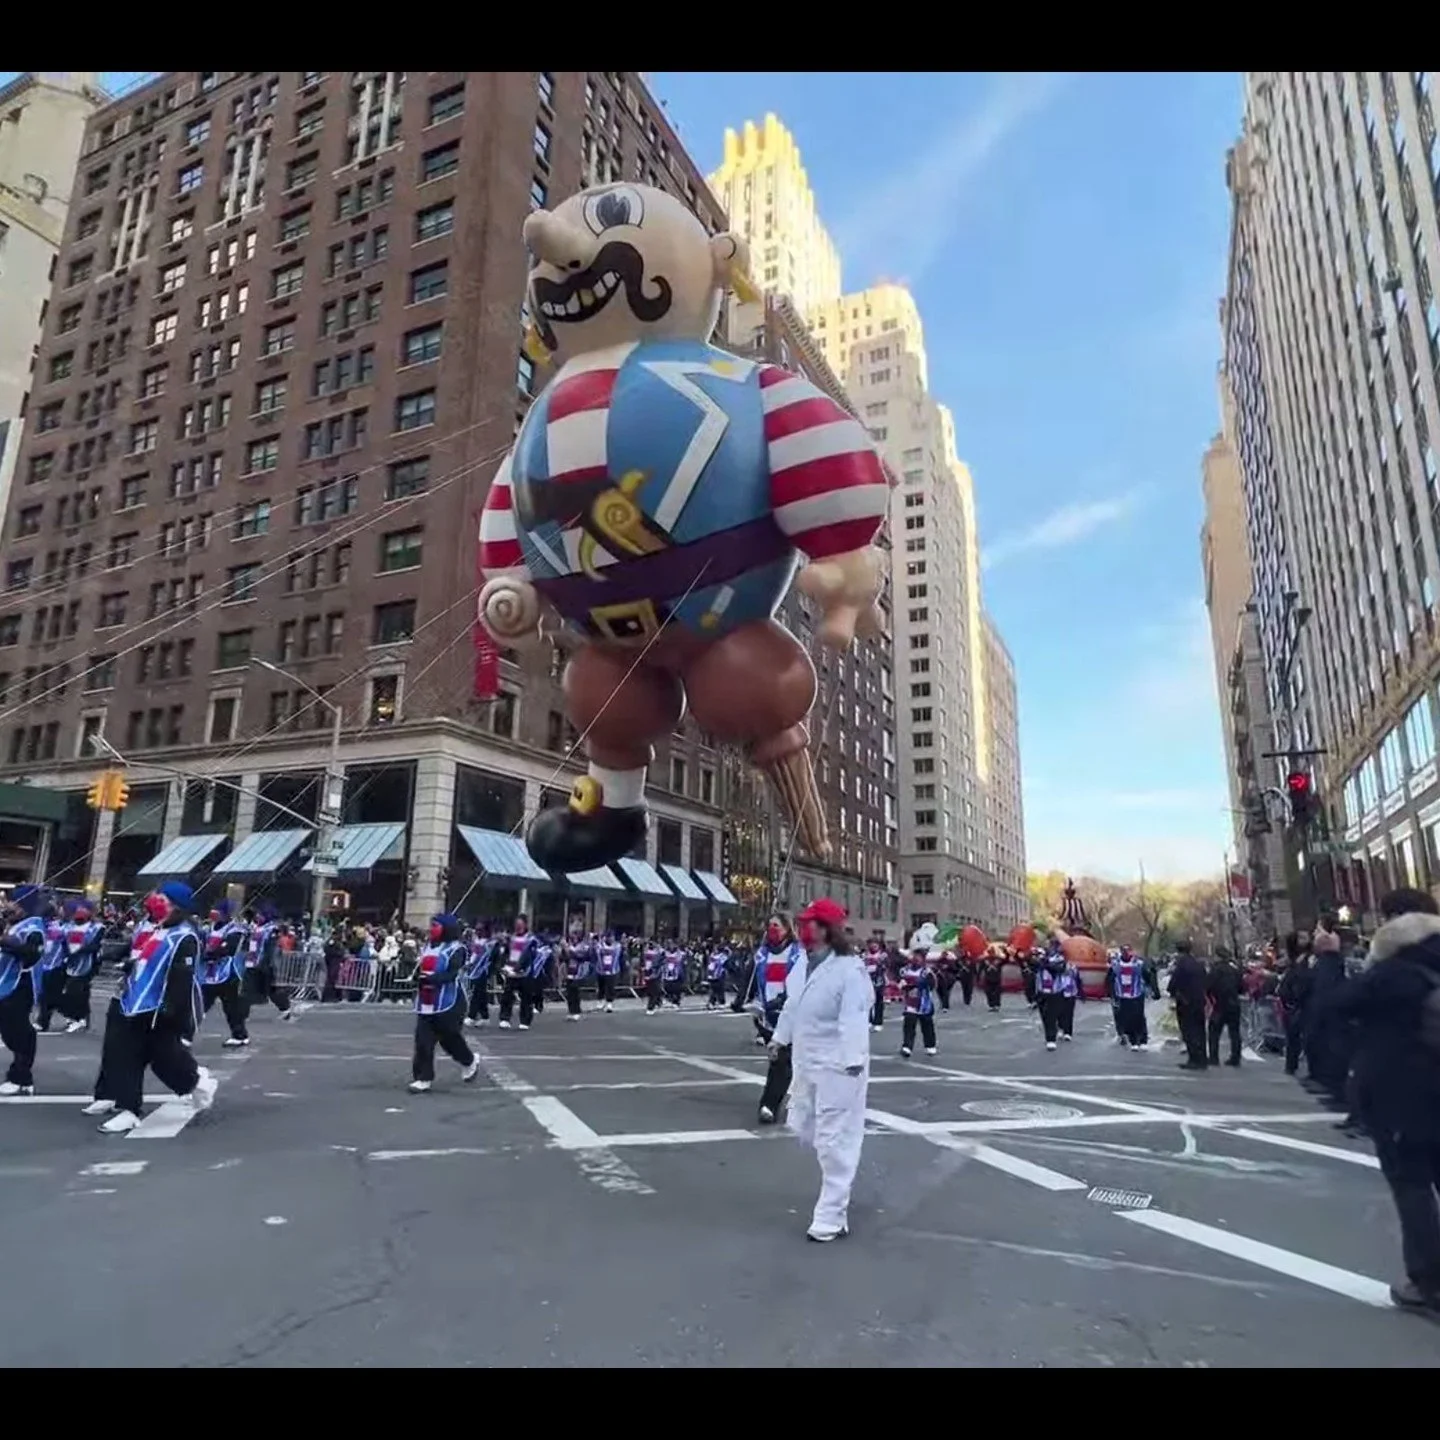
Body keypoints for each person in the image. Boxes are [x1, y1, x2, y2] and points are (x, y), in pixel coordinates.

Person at [1328, 888, 1440, 1315]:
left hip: (1403, 1100)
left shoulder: (1390, 973)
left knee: (1413, 1187)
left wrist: (1330, 958)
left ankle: (1428, 1282)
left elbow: (1331, 1007)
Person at [770, 897, 872, 1243]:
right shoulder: (802, 965)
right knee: (815, 1134)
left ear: (826, 929)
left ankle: (830, 1215)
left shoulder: (850, 970)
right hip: (808, 1063)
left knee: (834, 1140)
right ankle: (836, 1206)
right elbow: (792, 1006)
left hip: (840, 1067)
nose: (802, 928)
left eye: (810, 922)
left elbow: (854, 1018)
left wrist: (852, 1060)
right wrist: (779, 1039)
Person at [92, 882, 217, 1135]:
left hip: (159, 1010)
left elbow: (181, 978)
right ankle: (129, 1109)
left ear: (176, 906)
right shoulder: (154, 929)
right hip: (132, 1004)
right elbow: (143, 961)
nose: (155, 900)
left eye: (162, 897)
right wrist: (126, 965)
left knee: (166, 1062)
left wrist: (169, 1010)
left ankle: (197, 1081)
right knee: (124, 1056)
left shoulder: (185, 936)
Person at [409, 913, 480, 1093]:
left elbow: (452, 974)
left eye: (435, 925)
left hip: (451, 1001)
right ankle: (423, 1077)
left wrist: (432, 979)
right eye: (431, 925)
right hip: (426, 1000)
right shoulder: (427, 947)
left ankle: (469, 1060)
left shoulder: (458, 949)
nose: (431, 929)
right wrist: (417, 978)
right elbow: (422, 970)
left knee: (449, 1038)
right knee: (423, 1039)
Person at [0, 885, 50, 1096]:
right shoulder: (14, 925)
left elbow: (31, 954)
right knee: (9, 1031)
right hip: (5, 984)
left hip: (21, 985)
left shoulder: (34, 927)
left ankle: (21, 1076)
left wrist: (5, 941)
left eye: (14, 902)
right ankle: (19, 1073)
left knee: (19, 1032)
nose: (9, 905)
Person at [58, 898, 106, 1035]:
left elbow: (94, 946)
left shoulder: (97, 928)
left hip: (88, 964)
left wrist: (78, 952)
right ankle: (77, 1017)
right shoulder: (68, 927)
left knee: (77, 990)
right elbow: (63, 942)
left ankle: (79, 1019)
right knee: (70, 991)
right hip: (70, 963)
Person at [1168, 938, 1209, 1071]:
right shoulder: (1198, 964)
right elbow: (1206, 980)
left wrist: (1173, 992)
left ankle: (1194, 1059)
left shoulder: (1181, 964)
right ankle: (1203, 1058)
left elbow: (1174, 982)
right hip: (1199, 1000)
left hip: (1185, 1001)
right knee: (1200, 1030)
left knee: (1188, 1031)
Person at [1206, 944, 1244, 1067]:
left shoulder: (1215, 969)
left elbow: (1209, 985)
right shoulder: (1234, 970)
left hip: (1219, 1004)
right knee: (1234, 1032)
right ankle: (1235, 1057)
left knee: (1214, 1031)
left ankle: (1213, 1057)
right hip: (1234, 1003)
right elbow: (1241, 987)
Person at [898, 944, 938, 1058]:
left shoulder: (927, 972)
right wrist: (903, 986)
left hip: (924, 1004)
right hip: (910, 1002)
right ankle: (907, 1046)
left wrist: (919, 984)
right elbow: (900, 982)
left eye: (919, 957)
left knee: (927, 1025)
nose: (916, 959)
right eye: (915, 956)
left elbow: (932, 985)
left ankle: (930, 1045)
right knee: (909, 1024)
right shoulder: (905, 970)